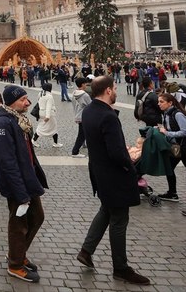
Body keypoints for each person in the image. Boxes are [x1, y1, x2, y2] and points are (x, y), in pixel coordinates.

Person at [76, 76, 150, 285]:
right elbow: (116, 152)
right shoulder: (108, 116)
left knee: (106, 211)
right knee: (119, 220)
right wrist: (130, 161)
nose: (116, 90)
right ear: (108, 90)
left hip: (99, 172)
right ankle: (121, 267)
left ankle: (86, 250)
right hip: (113, 175)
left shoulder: (90, 110)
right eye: (115, 87)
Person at [0, 85, 47, 283]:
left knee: (37, 217)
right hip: (16, 183)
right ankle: (15, 264)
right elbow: (8, 162)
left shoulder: (19, 120)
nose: (28, 103)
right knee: (18, 224)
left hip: (27, 178)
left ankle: (18, 253)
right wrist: (21, 194)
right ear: (13, 101)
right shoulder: (3, 124)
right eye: (23, 99)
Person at [156, 93, 186, 202]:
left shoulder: (177, 114)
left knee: (169, 167)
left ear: (170, 103)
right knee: (169, 167)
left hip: (184, 147)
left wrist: (167, 133)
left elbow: (184, 131)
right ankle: (172, 193)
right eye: (158, 101)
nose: (159, 104)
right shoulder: (166, 114)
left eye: (161, 102)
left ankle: (172, 193)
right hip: (176, 147)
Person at [32, 83, 62, 148]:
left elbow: (38, 101)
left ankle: (34, 140)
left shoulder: (40, 93)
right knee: (54, 128)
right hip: (49, 114)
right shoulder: (49, 96)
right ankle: (55, 143)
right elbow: (48, 106)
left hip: (41, 113)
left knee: (41, 127)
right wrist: (47, 116)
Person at [70, 77, 91, 158]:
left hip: (78, 115)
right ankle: (75, 152)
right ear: (82, 84)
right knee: (83, 135)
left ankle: (75, 151)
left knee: (82, 135)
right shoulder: (84, 95)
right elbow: (91, 105)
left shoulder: (74, 93)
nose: (86, 85)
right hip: (85, 117)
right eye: (85, 83)